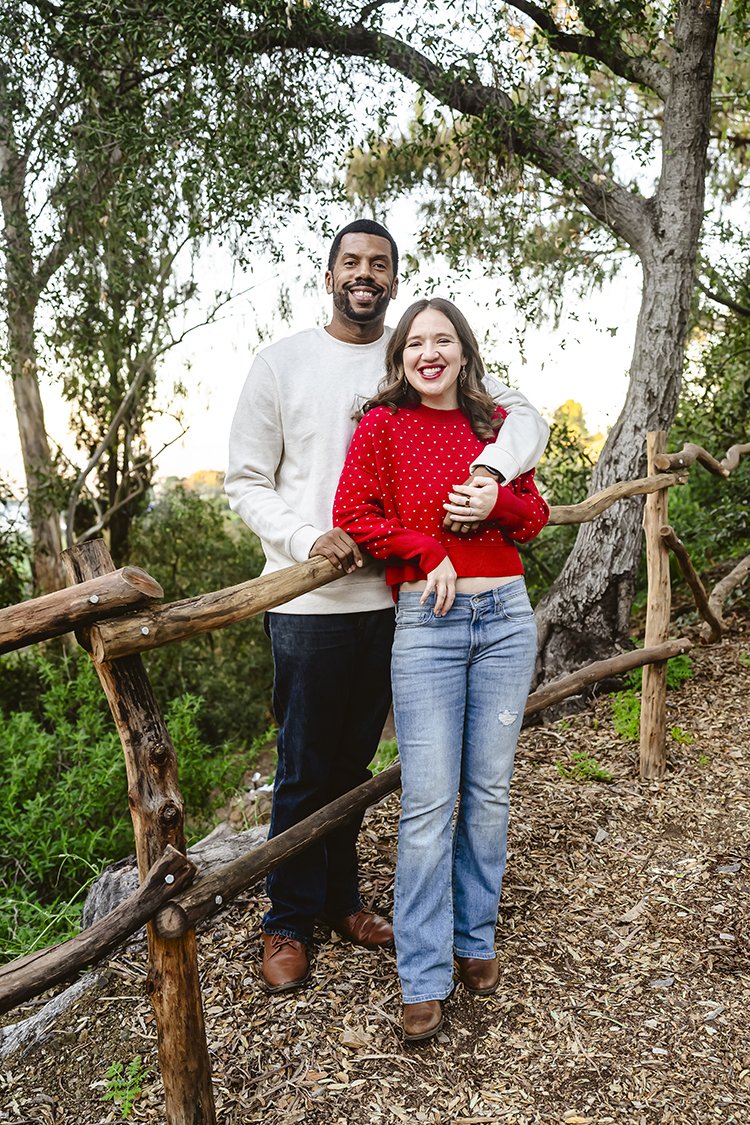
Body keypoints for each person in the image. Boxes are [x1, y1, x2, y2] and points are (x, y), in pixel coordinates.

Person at [225, 221, 549, 996]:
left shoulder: (419, 350)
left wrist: (489, 476)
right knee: (304, 767)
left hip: (400, 603)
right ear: (330, 274)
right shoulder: (281, 363)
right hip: (314, 599)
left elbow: (524, 416)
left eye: (379, 264)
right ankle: (287, 920)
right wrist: (311, 537)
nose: (363, 274)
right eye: (351, 262)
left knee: (355, 765)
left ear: (396, 283)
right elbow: (244, 479)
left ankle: (341, 902)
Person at [333, 297, 550, 1042]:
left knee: (488, 791)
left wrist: (496, 496)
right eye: (416, 342)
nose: (430, 352)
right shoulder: (383, 426)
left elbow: (534, 515)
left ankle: (475, 937)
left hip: (507, 620)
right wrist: (428, 552)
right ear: (400, 358)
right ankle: (422, 973)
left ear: (463, 350)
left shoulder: (494, 424)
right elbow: (354, 513)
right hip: (428, 625)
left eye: (443, 340)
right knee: (429, 803)